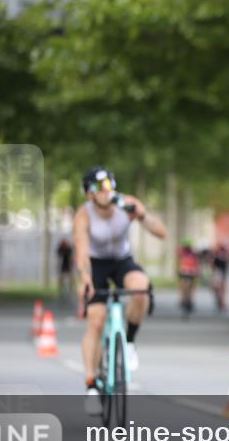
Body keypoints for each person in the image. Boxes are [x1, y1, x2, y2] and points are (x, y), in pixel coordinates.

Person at [74, 166, 166, 413]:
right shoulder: (84, 215)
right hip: (96, 264)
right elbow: (82, 251)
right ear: (89, 194)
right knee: (96, 320)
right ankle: (92, 384)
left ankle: (130, 341)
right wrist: (85, 278)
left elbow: (161, 232)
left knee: (140, 288)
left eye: (109, 187)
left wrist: (142, 215)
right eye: (99, 189)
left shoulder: (127, 205)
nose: (106, 193)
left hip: (122, 260)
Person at [177, 240, 200, 316]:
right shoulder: (182, 252)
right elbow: (179, 262)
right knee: (184, 285)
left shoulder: (193, 253)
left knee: (190, 286)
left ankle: (188, 300)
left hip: (190, 272)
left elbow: (197, 263)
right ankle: (183, 299)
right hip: (186, 272)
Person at [209, 240, 229, 312]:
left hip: (217, 273)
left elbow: (212, 264)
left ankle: (221, 302)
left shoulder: (217, 254)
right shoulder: (226, 255)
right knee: (222, 289)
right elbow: (228, 266)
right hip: (221, 273)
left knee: (219, 288)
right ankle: (221, 302)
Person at [56, 238, 74, 303]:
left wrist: (71, 266)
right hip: (62, 266)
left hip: (67, 266)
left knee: (70, 278)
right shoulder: (60, 249)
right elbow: (58, 258)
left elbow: (70, 258)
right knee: (61, 278)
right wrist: (58, 266)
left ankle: (71, 290)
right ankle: (61, 289)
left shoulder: (69, 249)